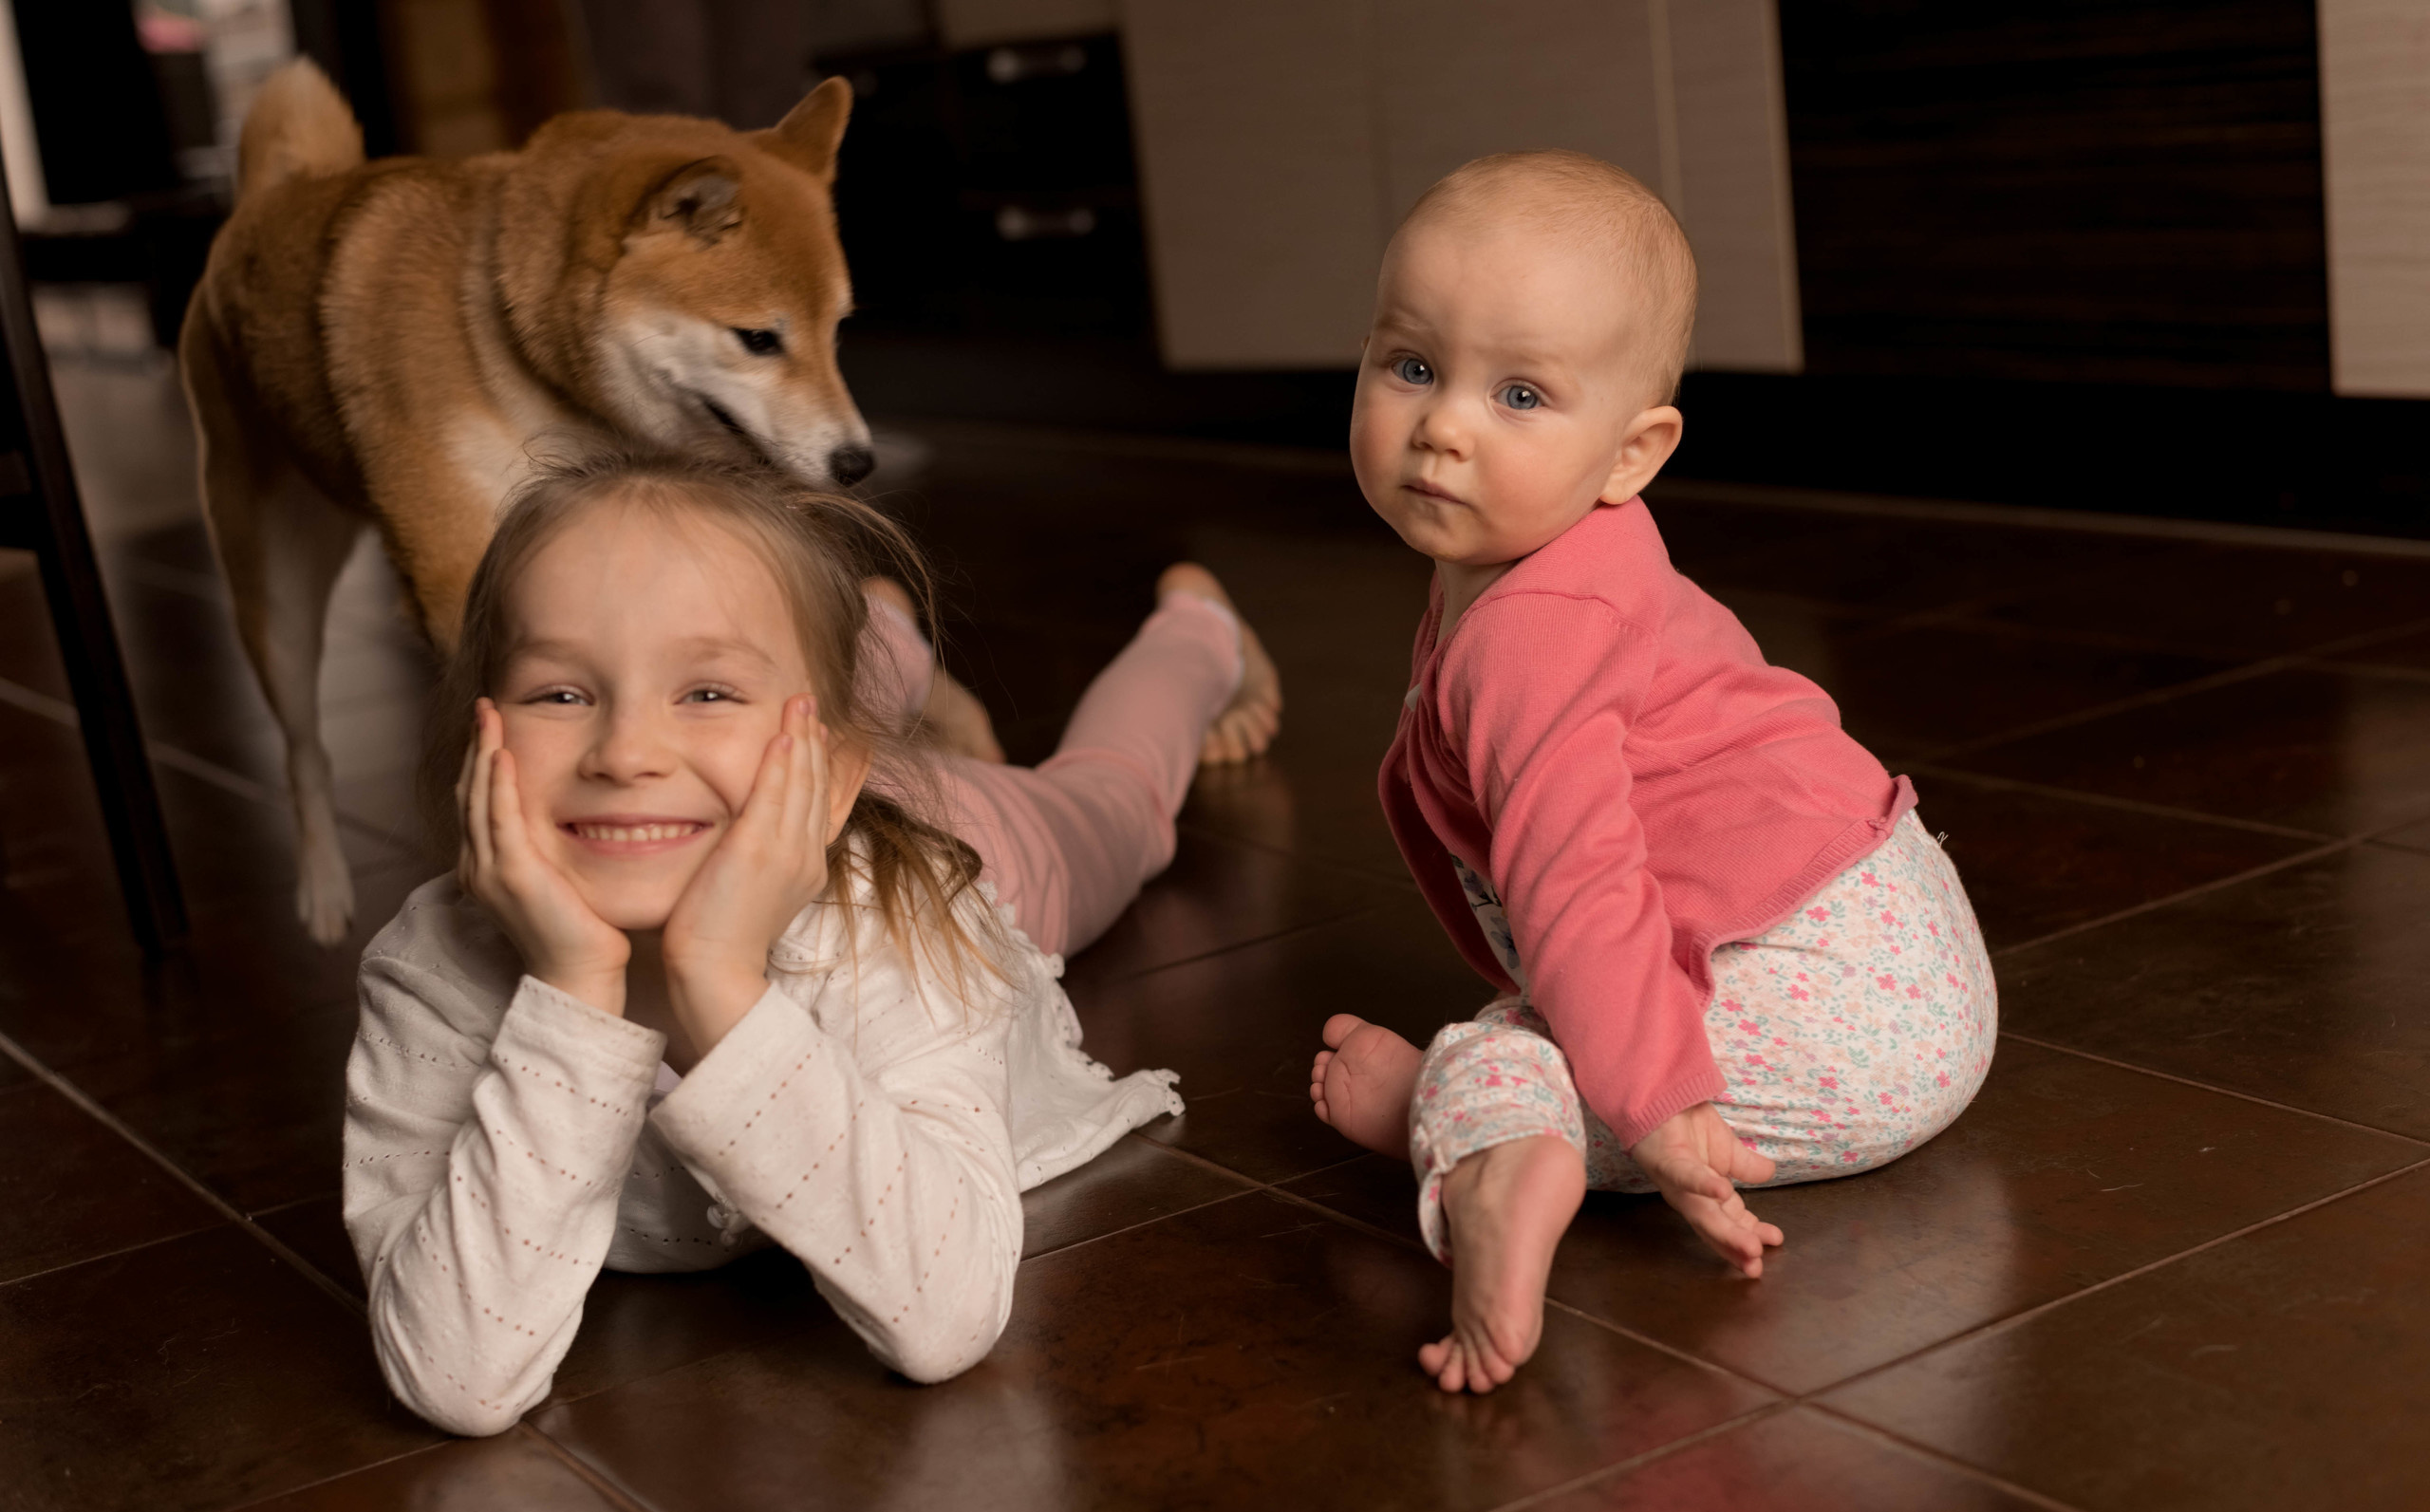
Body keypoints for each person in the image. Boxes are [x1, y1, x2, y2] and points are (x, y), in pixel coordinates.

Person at [341, 447, 1280, 1435]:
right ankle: (877, 633)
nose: (623, 754)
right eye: (561, 694)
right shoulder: (431, 972)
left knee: (1117, 803)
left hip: (941, 833)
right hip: (792, 780)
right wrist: (572, 990)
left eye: (705, 691)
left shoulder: (901, 922)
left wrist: (719, 982)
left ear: (832, 778)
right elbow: (455, 1372)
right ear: (476, 733)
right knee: (790, 638)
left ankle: (1200, 631)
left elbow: (946, 1314)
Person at [1305, 151, 1997, 1394]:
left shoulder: (1529, 632)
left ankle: (1473, 1136)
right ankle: (1506, 1113)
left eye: (1519, 393)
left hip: (1845, 1009)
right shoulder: (1569, 552)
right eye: (1411, 366)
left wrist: (1664, 1107)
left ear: (1634, 451)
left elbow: (1577, 879)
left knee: (1525, 1050)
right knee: (1585, 1020)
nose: (1444, 425)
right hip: (1886, 926)